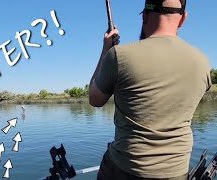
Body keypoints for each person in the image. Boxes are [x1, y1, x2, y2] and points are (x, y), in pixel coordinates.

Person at [89, 0, 212, 179]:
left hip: (124, 170)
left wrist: (106, 50)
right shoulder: (203, 62)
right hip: (176, 172)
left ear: (145, 16)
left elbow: (95, 99)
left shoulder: (119, 56)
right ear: (183, 19)